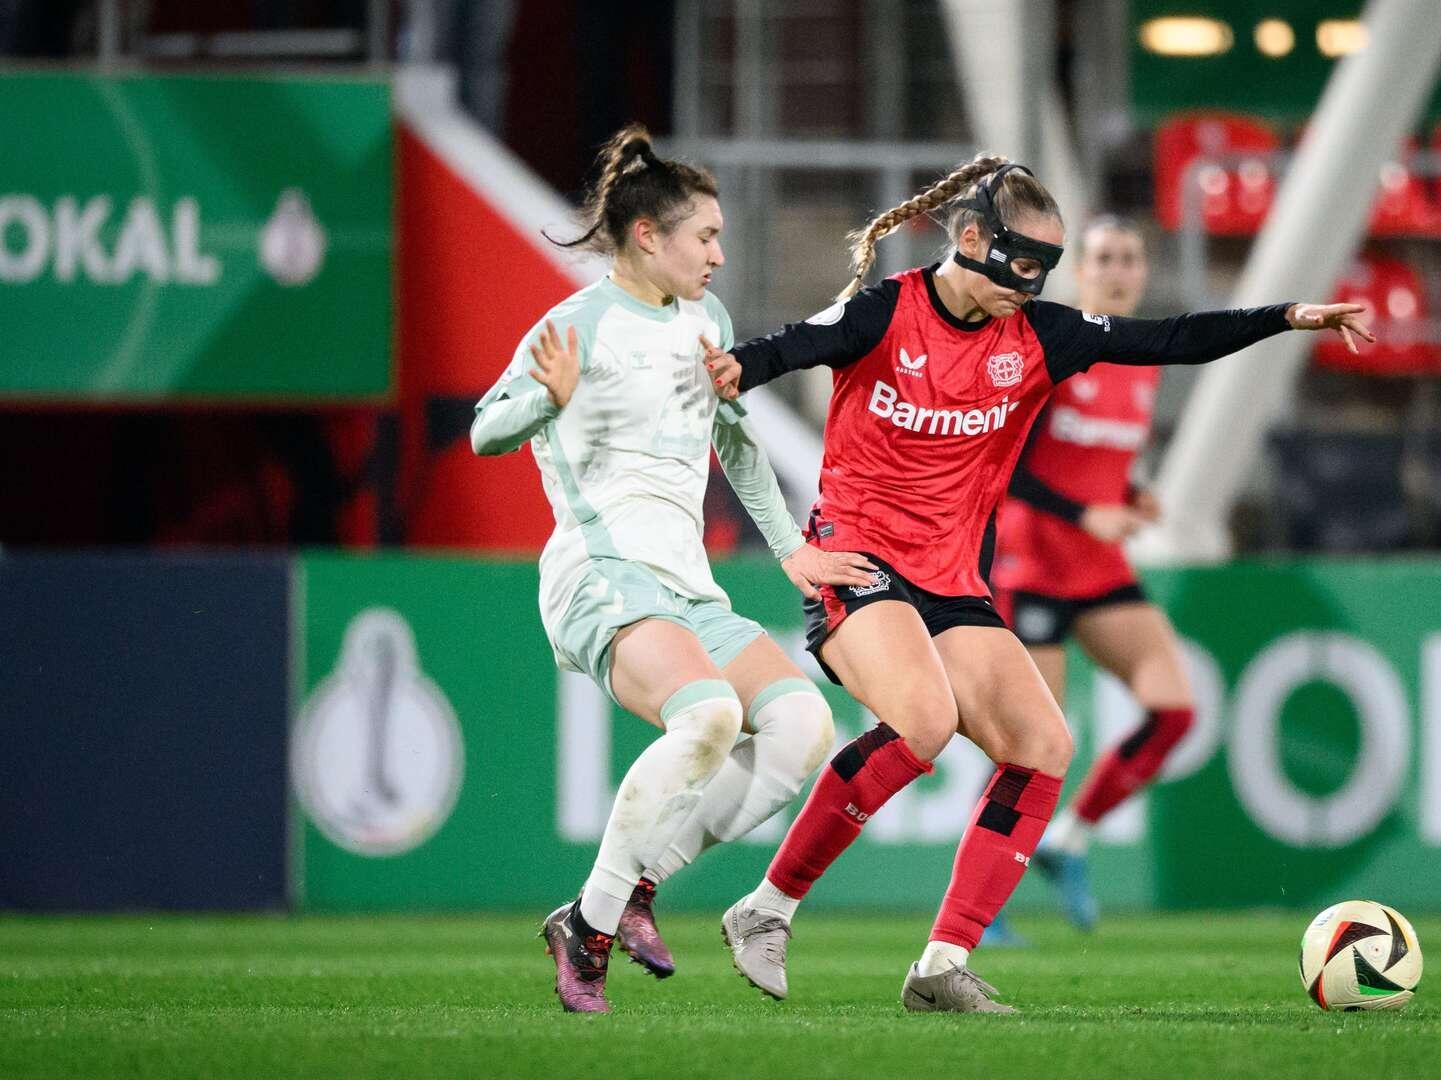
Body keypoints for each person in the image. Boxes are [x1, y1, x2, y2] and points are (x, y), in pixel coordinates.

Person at [702, 155, 1371, 1012]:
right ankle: (766, 908)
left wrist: (1284, 317)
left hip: (951, 584)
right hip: (857, 561)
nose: (1033, 283)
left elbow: (1167, 337)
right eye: (1023, 263)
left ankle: (942, 965)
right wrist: (735, 369)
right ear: (972, 238)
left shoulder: (1042, 337)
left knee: (1043, 747)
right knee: (924, 724)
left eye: (1045, 269)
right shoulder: (886, 310)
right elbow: (789, 347)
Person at [470, 124, 873, 1013]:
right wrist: (548, 397)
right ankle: (596, 924)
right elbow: (484, 430)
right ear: (648, 235)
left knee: (803, 723)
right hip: (598, 572)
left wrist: (790, 547)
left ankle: (616, 899)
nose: (720, 255)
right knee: (710, 716)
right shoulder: (572, 325)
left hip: (688, 585)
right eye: (706, 236)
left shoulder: (706, 322)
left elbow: (736, 438)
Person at [979, 216, 1192, 941]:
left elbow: (1096, 457)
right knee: (1032, 743)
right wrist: (1084, 512)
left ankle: (1068, 841)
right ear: (1080, 271)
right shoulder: (1061, 349)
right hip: (1034, 564)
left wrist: (1129, 497)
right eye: (1104, 256)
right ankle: (988, 893)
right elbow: (1011, 465)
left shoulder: (1144, 358)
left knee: (1174, 712)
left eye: (1131, 255)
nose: (1119, 268)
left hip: (1100, 569)